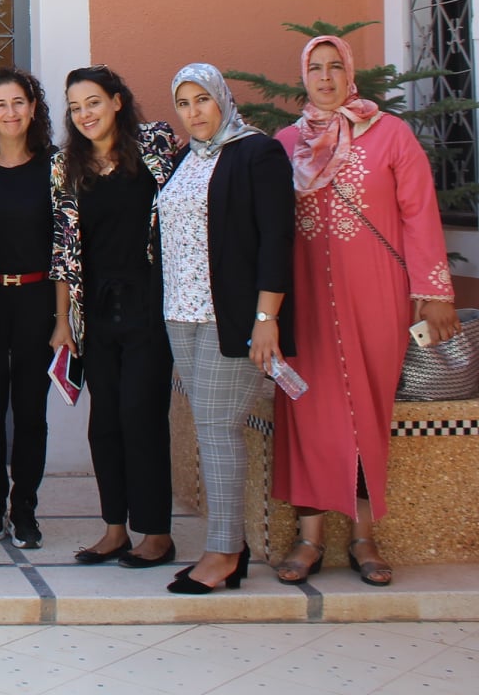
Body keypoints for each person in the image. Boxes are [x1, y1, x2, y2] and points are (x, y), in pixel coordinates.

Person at [271, 34, 458, 588]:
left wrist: (435, 291)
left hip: (374, 293)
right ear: (303, 76)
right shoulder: (283, 144)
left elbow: (419, 213)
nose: (325, 78)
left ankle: (363, 537)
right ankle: (309, 540)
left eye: (335, 67)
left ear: (350, 73)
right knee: (305, 411)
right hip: (303, 299)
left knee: (363, 414)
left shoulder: (389, 135)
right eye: (315, 68)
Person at [157, 64, 295, 594]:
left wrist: (266, 318)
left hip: (229, 317)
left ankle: (225, 552)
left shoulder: (257, 153)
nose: (194, 112)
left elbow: (276, 240)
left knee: (217, 430)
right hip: (181, 315)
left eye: (202, 100)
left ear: (222, 100)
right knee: (209, 426)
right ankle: (223, 548)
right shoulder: (183, 160)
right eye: (184, 103)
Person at [52, 65, 181, 569]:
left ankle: (157, 532)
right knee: (104, 421)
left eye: (94, 103)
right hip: (96, 312)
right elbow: (63, 247)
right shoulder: (68, 165)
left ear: (117, 102)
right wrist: (63, 321)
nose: (85, 114)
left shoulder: (154, 144)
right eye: (76, 106)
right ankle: (114, 529)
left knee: (141, 416)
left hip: (150, 306)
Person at [0, 68, 59, 551]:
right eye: (1, 104)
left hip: (38, 300)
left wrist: (64, 319)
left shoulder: (56, 166)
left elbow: (67, 246)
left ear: (34, 108)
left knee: (31, 409)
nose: (11, 112)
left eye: (19, 102)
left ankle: (25, 508)